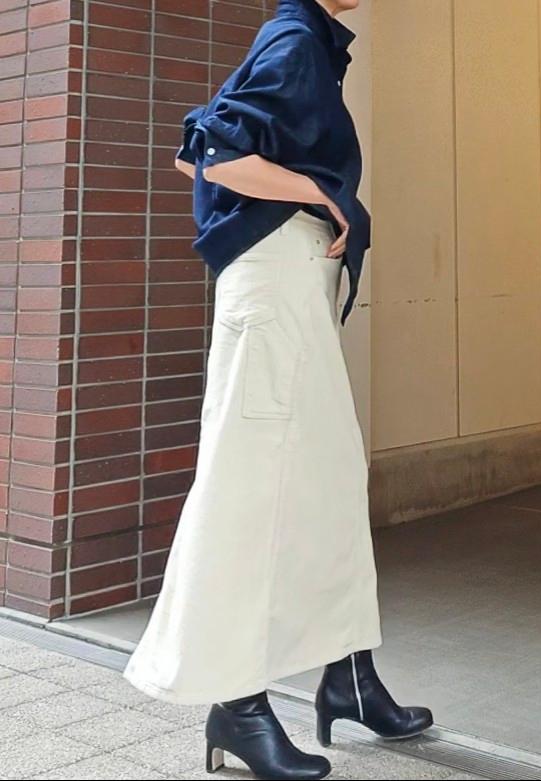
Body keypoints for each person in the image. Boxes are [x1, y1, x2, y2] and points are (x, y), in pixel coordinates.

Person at [123, 1, 433, 778]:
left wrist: (327, 201)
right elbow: (206, 153)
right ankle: (235, 705)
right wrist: (324, 195)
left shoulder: (308, 45)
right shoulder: (293, 38)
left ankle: (349, 675)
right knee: (248, 487)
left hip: (291, 287)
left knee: (329, 478)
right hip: (272, 285)